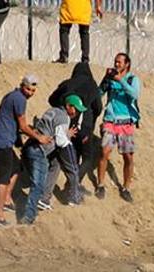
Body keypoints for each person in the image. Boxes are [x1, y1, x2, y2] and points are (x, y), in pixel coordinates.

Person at [0, 75, 49, 226]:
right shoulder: (20, 99)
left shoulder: (13, 95)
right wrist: (39, 137)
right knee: (3, 177)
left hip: (3, 140)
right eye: (28, 89)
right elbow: (23, 126)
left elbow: (14, 123)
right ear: (22, 86)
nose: (30, 93)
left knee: (16, 167)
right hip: (1, 142)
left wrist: (20, 141)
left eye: (33, 90)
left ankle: (6, 199)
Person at [22, 95, 84, 225]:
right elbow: (61, 141)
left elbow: (53, 132)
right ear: (68, 106)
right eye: (76, 109)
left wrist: (66, 135)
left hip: (31, 146)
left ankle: (44, 198)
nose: (77, 113)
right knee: (37, 185)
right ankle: (28, 216)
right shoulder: (63, 117)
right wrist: (70, 150)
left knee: (56, 163)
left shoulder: (53, 111)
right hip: (39, 150)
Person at [47, 61, 102, 197]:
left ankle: (72, 185)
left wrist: (64, 108)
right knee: (87, 158)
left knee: (73, 157)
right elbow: (98, 107)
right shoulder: (92, 85)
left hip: (67, 124)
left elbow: (52, 99)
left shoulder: (67, 84)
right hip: (85, 126)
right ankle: (73, 185)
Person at [96, 52, 141, 203]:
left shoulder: (132, 79)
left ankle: (126, 187)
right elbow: (99, 94)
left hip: (126, 123)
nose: (116, 64)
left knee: (128, 156)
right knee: (104, 152)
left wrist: (120, 80)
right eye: (115, 61)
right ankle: (100, 185)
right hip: (110, 121)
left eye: (119, 62)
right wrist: (105, 79)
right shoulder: (111, 78)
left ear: (126, 64)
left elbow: (134, 94)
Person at [56, 0, 102, 64]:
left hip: (68, 6)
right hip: (84, 9)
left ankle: (64, 56)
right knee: (84, 33)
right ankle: (85, 58)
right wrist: (98, 6)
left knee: (64, 30)